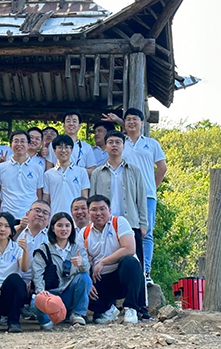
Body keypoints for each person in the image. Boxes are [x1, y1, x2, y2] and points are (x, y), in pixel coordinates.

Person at [89, 130, 148, 276]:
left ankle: (140, 291)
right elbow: (92, 199)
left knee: (134, 265)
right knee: (105, 266)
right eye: (110, 142)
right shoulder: (97, 173)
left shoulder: (134, 171)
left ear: (123, 146)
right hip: (105, 225)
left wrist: (143, 223)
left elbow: (141, 198)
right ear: (106, 146)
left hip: (130, 222)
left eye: (118, 142)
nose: (114, 145)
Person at [80, 195, 146, 324]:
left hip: (121, 276)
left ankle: (131, 308)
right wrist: (87, 281)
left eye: (102, 209)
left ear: (109, 210)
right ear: (88, 212)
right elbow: (82, 260)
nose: (98, 213)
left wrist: (103, 262)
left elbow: (129, 249)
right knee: (80, 284)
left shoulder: (119, 223)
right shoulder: (84, 233)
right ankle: (108, 310)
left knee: (130, 262)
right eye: (94, 210)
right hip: (100, 279)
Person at [121, 108, 167, 286]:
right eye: (128, 119)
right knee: (124, 231)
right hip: (125, 194)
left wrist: (152, 187)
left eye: (135, 119)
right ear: (124, 123)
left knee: (146, 232)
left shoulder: (152, 144)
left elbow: (162, 168)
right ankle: (127, 270)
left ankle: (145, 271)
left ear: (142, 122)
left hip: (147, 195)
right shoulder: (120, 143)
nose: (132, 122)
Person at [31, 212, 92, 330]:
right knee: (36, 302)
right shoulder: (44, 250)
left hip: (68, 293)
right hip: (51, 294)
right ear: (53, 228)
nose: (64, 229)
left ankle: (77, 314)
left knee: (84, 277)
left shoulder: (78, 249)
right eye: (59, 225)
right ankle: (48, 321)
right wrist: (42, 293)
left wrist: (81, 263)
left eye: (67, 226)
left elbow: (86, 272)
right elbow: (37, 275)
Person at [0, 130, 43, 220]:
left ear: (28, 145)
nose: (19, 144)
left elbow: (39, 195)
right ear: (10, 145)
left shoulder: (37, 168)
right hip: (7, 217)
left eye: (22, 141)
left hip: (29, 217)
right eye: (16, 141)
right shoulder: (1, 167)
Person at [43, 135, 90, 216]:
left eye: (67, 147)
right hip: (54, 218)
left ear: (71, 150)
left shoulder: (81, 172)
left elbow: (84, 198)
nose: (63, 150)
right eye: (60, 147)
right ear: (54, 150)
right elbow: (46, 200)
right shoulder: (48, 174)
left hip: (76, 218)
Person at [46, 111, 97, 176]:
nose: (71, 124)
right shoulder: (53, 144)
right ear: (64, 125)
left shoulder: (86, 147)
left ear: (79, 126)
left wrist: (76, 171)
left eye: (74, 121)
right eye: (68, 121)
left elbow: (92, 170)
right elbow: (49, 167)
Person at [14, 200, 51, 286]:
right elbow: (6, 240)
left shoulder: (51, 237)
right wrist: (20, 228)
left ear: (49, 219)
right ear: (27, 213)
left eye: (45, 213)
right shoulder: (16, 230)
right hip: (15, 280)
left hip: (41, 282)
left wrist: (36, 282)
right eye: (37, 210)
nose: (40, 215)